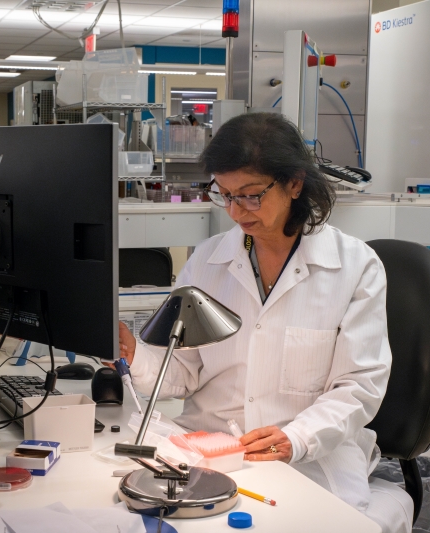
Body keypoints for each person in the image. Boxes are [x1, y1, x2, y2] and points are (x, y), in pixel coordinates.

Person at [118, 113, 413, 533]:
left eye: (251, 195)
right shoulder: (207, 261)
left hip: (310, 459)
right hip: (210, 449)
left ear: (295, 183)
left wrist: (298, 438)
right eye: (226, 195)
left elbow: (358, 388)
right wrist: (137, 355)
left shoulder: (354, 267)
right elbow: (182, 371)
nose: (237, 212)